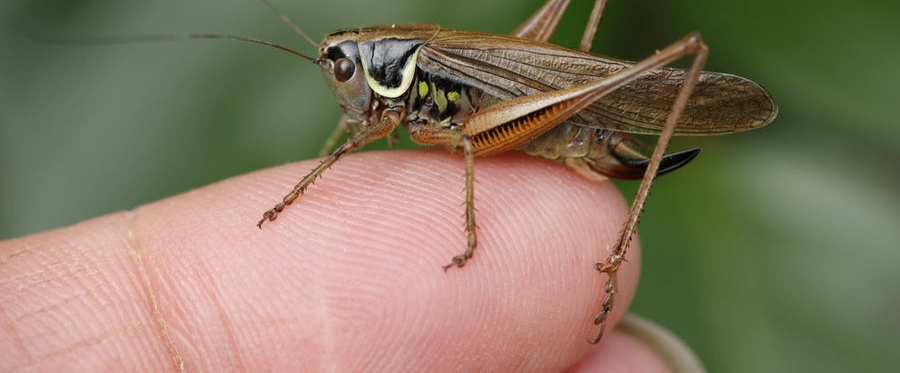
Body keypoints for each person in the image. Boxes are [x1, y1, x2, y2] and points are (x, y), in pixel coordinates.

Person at [0, 151, 703, 371]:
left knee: (464, 141)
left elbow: (465, 141)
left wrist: (469, 239)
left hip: (546, 115)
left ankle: (611, 246)